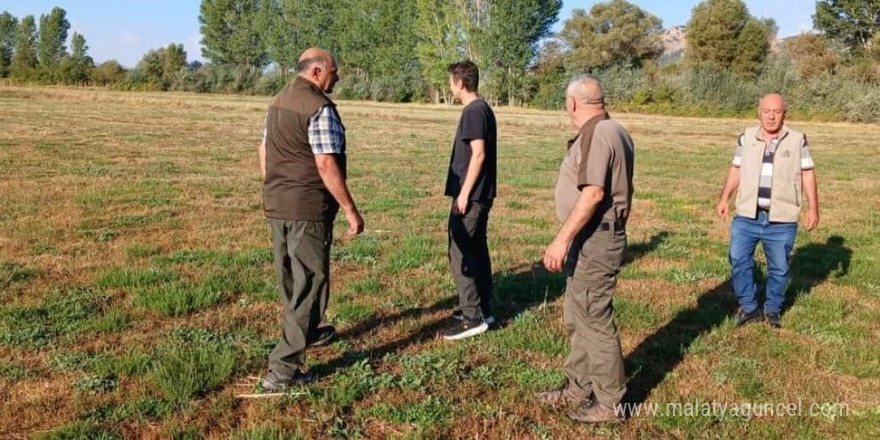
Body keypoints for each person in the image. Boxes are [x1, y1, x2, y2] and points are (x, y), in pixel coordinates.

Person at [257, 48, 364, 391]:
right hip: (307, 208)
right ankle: (283, 370)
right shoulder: (319, 107)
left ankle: (308, 332)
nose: (338, 77)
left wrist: (275, 185)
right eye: (334, 71)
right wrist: (350, 209)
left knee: (291, 278)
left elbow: (263, 149)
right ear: (317, 72)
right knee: (312, 283)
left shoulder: (277, 101)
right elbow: (325, 164)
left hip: (278, 204)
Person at [537, 75, 634, 423]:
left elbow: (593, 193)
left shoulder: (599, 132)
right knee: (578, 315)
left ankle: (611, 402)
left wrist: (561, 240)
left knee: (593, 318)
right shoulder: (613, 130)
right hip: (591, 237)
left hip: (595, 238)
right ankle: (580, 385)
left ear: (572, 103)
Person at [717, 93, 819, 329]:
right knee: (738, 260)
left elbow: (807, 173)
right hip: (747, 216)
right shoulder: (746, 137)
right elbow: (736, 169)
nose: (771, 116)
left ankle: (772, 308)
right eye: (766, 111)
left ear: (785, 113)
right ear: (759, 112)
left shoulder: (797, 140)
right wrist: (724, 198)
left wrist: (813, 208)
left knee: (780, 268)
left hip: (781, 219)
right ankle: (749, 307)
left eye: (777, 112)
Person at [441, 60, 498, 341]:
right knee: (476, 251)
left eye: (451, 82)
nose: (450, 87)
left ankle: (472, 316)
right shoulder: (483, 108)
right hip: (480, 195)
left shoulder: (473, 112)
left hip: (472, 197)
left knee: (461, 252)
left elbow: (478, 154)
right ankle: (483, 309)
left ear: (460, 83)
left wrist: (463, 194)